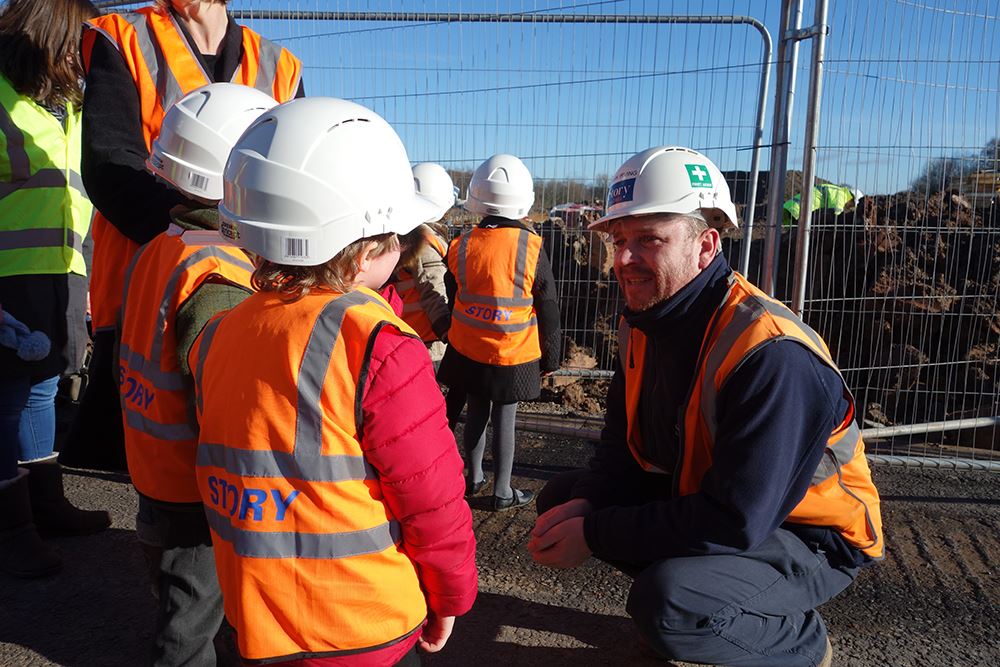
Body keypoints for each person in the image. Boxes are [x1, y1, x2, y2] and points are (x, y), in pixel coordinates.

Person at [528, 146, 883, 667]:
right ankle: (706, 603)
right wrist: (587, 506)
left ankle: (797, 641)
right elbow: (618, 449)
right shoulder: (643, 321)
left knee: (667, 602)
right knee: (564, 500)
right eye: (619, 240)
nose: (623, 260)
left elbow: (736, 519)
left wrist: (596, 533)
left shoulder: (769, 352)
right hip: (717, 500)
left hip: (809, 535)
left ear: (705, 245)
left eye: (650, 239)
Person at [188, 97, 477, 666]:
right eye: (396, 237)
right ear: (367, 249)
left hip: (256, 620)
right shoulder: (377, 343)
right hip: (362, 627)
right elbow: (431, 498)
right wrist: (451, 594)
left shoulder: (218, 332)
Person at [61, 0, 303, 471]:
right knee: (160, 447)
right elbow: (110, 164)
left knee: (245, 427)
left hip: (258, 277)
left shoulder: (280, 65)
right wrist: (207, 232)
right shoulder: (124, 36)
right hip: (149, 270)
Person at [118, 82, 277, 666]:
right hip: (196, 485)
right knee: (189, 614)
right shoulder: (222, 275)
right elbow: (228, 403)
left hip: (152, 462)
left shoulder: (162, 247)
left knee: (173, 586)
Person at [0, 0, 110, 580]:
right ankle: (11, 529)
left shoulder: (70, 106)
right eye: (81, 44)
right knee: (7, 398)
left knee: (43, 389)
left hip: (62, 270)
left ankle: (45, 504)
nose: (87, 58)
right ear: (52, 37)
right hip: (8, 276)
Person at [437, 154, 562, 510]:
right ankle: (503, 491)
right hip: (512, 353)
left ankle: (473, 477)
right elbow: (548, 307)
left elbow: (454, 294)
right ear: (524, 201)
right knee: (505, 420)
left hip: (468, 349)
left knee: (476, 411)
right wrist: (551, 357)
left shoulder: (461, 245)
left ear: (476, 199)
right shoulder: (531, 247)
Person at [393, 162, 455, 364]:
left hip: (411, 332)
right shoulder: (423, 242)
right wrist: (447, 330)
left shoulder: (406, 232)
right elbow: (432, 287)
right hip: (427, 339)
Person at [782, 182, 861, 227]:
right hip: (799, 211)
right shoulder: (841, 195)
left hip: (790, 207)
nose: (850, 207)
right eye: (852, 205)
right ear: (852, 198)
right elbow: (837, 216)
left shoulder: (836, 190)